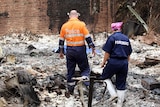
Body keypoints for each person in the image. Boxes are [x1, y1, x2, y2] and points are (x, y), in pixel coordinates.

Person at [58, 10, 96, 95]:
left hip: (70, 50)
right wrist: (92, 47)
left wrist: (61, 52)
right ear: (77, 16)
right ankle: (87, 85)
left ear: (69, 16)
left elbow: (61, 40)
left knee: (70, 69)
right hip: (80, 50)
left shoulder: (64, 26)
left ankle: (70, 89)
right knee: (85, 68)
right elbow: (87, 37)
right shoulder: (81, 24)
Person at [101, 22, 132, 107]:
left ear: (113, 29)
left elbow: (107, 52)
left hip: (114, 61)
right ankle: (119, 104)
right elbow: (129, 53)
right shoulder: (126, 38)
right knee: (121, 83)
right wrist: (126, 63)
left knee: (105, 77)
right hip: (124, 62)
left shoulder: (112, 38)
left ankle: (113, 94)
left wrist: (103, 63)